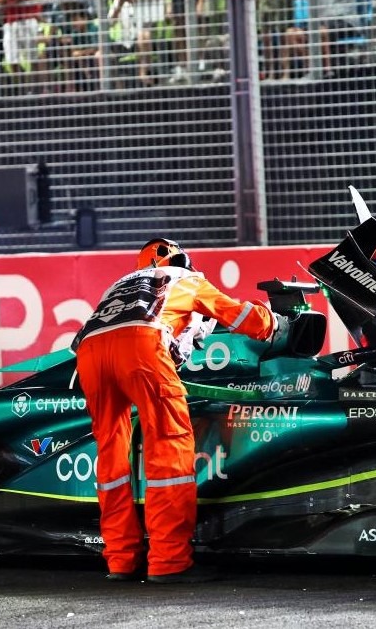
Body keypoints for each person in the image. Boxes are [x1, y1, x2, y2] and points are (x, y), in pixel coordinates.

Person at [73, 238, 284, 583]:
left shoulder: (120, 284)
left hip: (91, 353)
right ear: (183, 260)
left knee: (111, 455)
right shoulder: (185, 279)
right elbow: (239, 315)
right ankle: (169, 562)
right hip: (141, 346)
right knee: (169, 446)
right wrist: (273, 323)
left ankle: (121, 561)